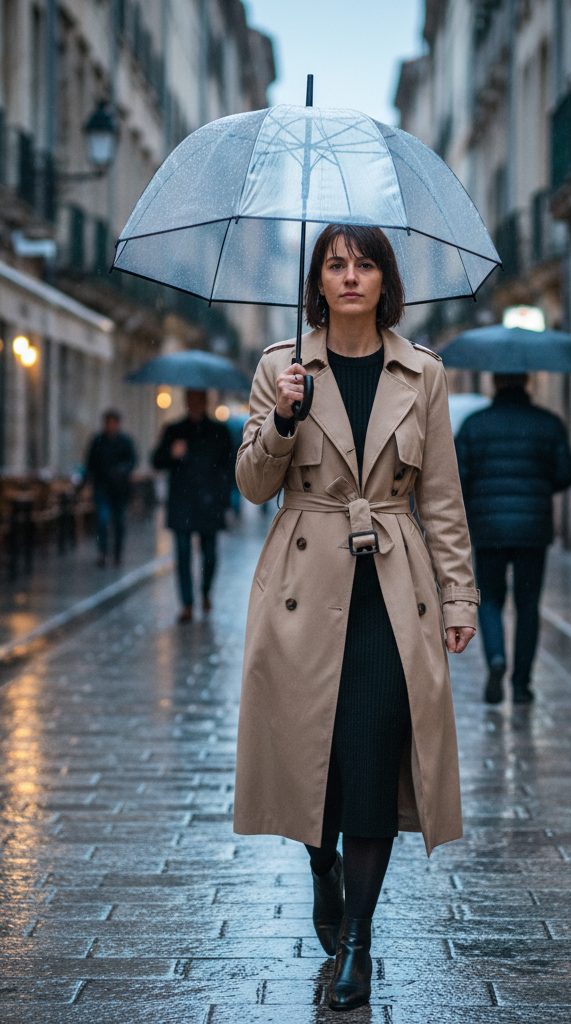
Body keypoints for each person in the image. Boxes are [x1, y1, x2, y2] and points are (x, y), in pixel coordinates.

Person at [234, 225, 479, 1010]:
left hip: (390, 587)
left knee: (373, 760)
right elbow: (247, 483)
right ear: (317, 279)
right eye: (334, 264)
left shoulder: (422, 373)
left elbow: (440, 497)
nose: (349, 276)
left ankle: (358, 946)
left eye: (363, 264)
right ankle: (319, 866)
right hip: (305, 584)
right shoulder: (281, 366)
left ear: (384, 281)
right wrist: (280, 421)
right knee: (314, 760)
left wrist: (458, 595)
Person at [455, 373, 571, 706]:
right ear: (527, 382)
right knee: (527, 606)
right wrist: (538, 488)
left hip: (488, 528)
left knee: (490, 599)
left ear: (494, 383)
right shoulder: (548, 423)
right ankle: (522, 685)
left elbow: (457, 476)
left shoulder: (474, 425)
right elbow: (567, 472)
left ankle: (496, 658)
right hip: (532, 531)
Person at [152, 389, 233, 623]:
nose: (195, 404)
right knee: (183, 554)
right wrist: (172, 453)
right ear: (187, 401)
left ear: (205, 402)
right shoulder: (174, 430)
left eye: (200, 400)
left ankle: (206, 591)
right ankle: (187, 603)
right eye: (192, 400)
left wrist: (225, 501)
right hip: (182, 503)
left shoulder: (220, 431)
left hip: (210, 503)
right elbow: (156, 460)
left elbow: (229, 468)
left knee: (209, 556)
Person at [85, 409, 137, 567]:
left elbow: (132, 460)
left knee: (119, 521)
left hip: (119, 489)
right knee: (102, 520)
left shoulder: (125, 441)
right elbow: (90, 462)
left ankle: (117, 553)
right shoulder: (98, 441)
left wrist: (123, 470)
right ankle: (102, 552)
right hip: (102, 487)